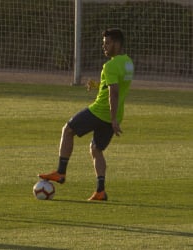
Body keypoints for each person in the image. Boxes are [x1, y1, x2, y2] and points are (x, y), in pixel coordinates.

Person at [38, 28, 134, 201]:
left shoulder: (110, 65)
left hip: (101, 111)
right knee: (96, 149)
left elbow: (114, 93)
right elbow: (115, 86)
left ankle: (61, 172)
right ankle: (100, 191)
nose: (104, 47)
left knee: (67, 130)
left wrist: (112, 119)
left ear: (116, 43)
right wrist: (98, 86)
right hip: (116, 114)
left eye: (107, 43)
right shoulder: (128, 63)